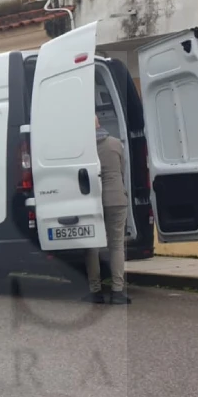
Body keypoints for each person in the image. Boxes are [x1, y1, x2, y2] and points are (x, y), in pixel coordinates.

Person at [85, 116, 131, 305]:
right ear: (99, 124)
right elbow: (122, 170)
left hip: (92, 200)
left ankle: (95, 291)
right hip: (116, 198)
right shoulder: (115, 143)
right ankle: (117, 291)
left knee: (91, 246)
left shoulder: (84, 148)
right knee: (117, 245)